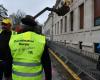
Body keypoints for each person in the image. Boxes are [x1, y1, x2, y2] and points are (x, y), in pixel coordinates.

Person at [8, 15, 52, 80]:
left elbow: (9, 60)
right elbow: (46, 63)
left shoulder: (13, 39)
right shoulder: (41, 40)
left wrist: (7, 75)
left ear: (22, 26)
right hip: (35, 78)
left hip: (17, 77)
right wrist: (48, 78)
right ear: (34, 27)